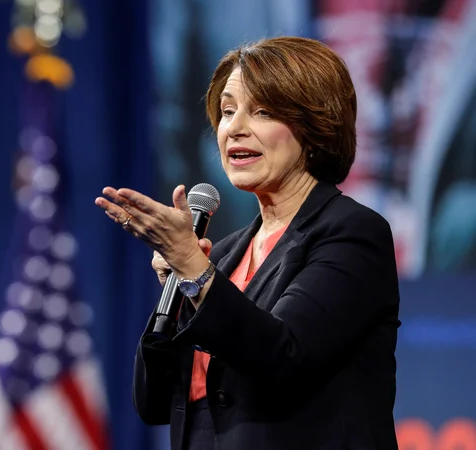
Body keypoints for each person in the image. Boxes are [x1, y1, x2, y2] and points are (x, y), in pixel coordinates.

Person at [95, 36, 400, 449]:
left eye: (262, 111)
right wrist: (182, 281)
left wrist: (193, 267)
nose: (234, 128)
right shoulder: (220, 255)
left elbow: (284, 356)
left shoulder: (352, 232)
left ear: (314, 125)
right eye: (227, 111)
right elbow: (154, 401)